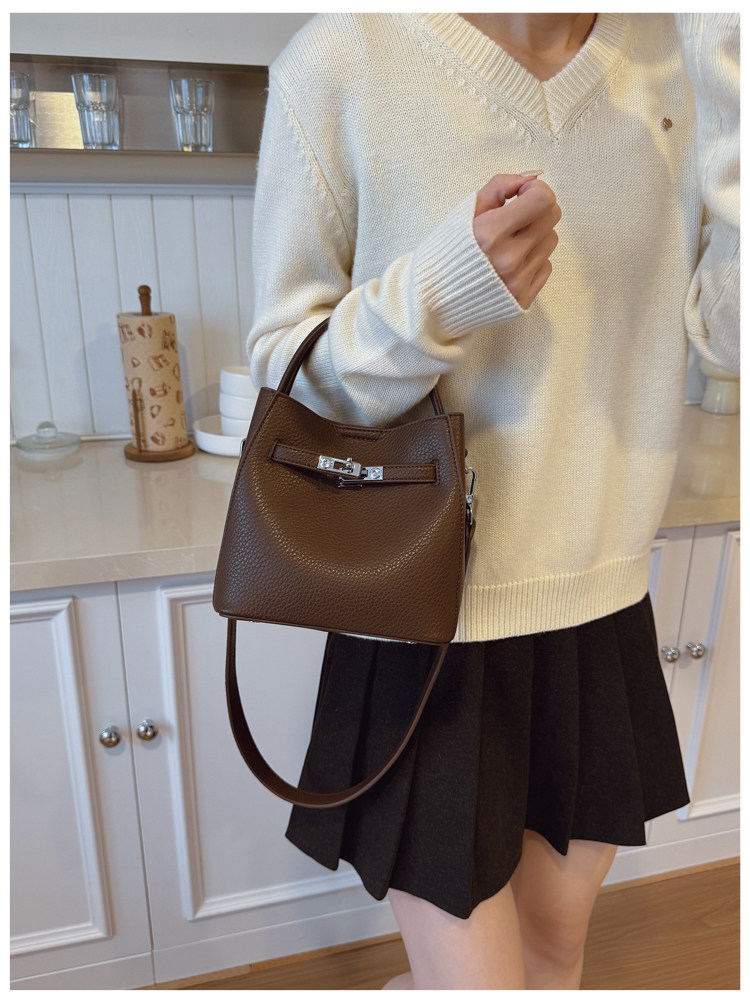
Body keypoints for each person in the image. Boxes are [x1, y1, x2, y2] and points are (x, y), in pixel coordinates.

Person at [246, 12, 739, 990]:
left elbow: (729, 343)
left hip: (599, 602)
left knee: (554, 959)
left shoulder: (687, 60)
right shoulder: (345, 58)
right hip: (424, 619)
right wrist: (443, 292)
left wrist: (732, 89)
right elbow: (286, 374)